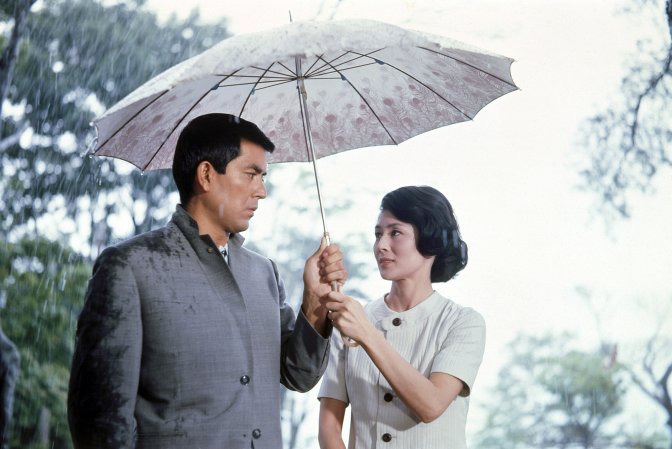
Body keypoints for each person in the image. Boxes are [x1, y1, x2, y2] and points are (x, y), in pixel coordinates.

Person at [67, 113, 346, 449]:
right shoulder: (130, 266)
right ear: (206, 175)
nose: (262, 191)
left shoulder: (264, 274)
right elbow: (99, 421)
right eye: (251, 174)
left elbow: (299, 375)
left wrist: (314, 301)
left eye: (263, 177)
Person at [318, 185, 485, 449]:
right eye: (378, 234)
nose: (381, 245)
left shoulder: (462, 323)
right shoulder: (349, 321)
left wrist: (367, 333)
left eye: (395, 232)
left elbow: (431, 405)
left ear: (431, 240)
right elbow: (328, 429)